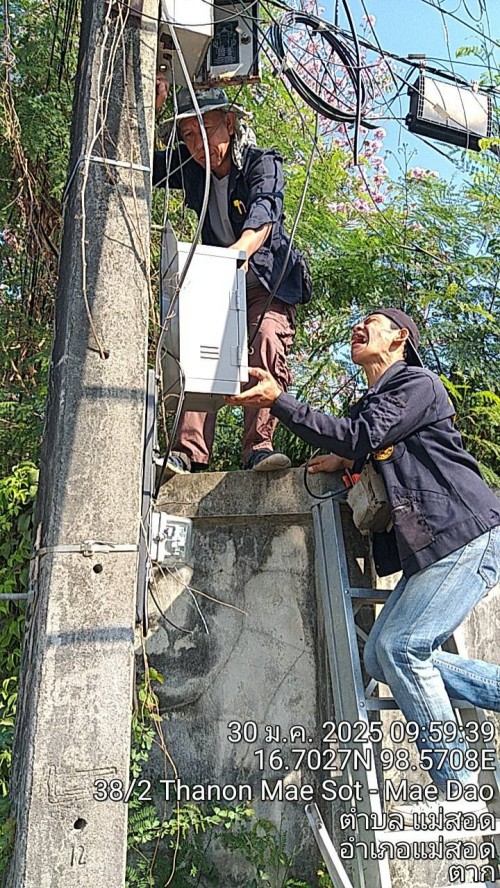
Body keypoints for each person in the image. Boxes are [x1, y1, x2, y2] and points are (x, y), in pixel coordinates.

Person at [226, 307, 500, 823]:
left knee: (401, 647)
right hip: (435, 551)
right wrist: (351, 459)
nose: (359, 325)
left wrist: (279, 402)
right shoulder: (377, 404)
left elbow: (362, 434)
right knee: (381, 659)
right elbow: (367, 440)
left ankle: (456, 784)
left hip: (466, 536)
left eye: (372, 321)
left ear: (399, 338)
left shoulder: (418, 383)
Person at [154, 78, 311, 474]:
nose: (196, 144)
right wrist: (152, 106)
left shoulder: (261, 162)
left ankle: (258, 447)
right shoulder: (191, 168)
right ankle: (188, 450)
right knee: (195, 344)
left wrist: (237, 253)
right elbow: (141, 163)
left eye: (204, 130)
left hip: (267, 281)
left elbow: (265, 213)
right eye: (187, 135)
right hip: (219, 276)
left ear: (229, 122)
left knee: (266, 339)